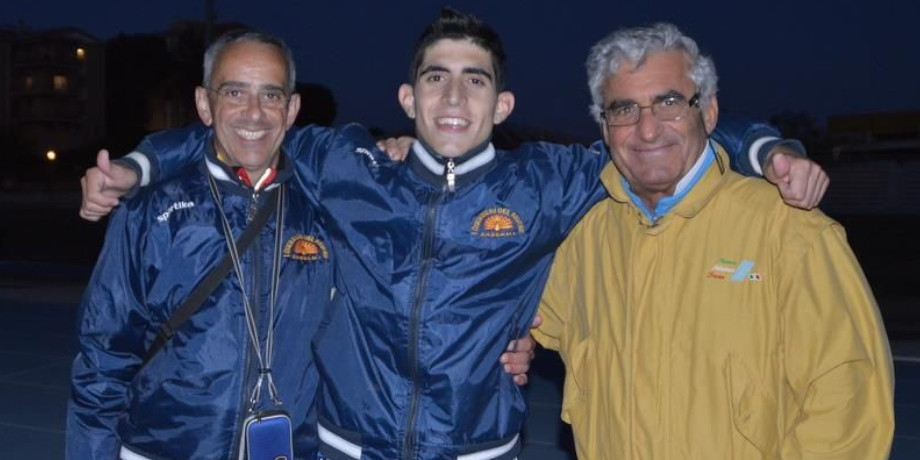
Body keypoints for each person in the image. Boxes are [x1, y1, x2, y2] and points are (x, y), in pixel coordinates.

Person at [78, 9, 829, 459]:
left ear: (502, 105)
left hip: (477, 450)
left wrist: (768, 149)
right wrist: (139, 167)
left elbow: (661, 133)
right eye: (437, 76)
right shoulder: (348, 165)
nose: (454, 95)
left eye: (475, 79)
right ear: (409, 97)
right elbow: (243, 133)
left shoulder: (546, 182)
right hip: (347, 448)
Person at [66, 30, 533, 460]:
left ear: (291, 110)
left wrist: (507, 337)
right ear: (204, 105)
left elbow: (413, 293)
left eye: (271, 95)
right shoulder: (151, 210)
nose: (254, 113)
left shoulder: (330, 205)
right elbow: (101, 362)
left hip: (293, 449)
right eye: (234, 93)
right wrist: (140, 164)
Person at [532, 23, 894, 459]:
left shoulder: (790, 231)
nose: (647, 130)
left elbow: (849, 401)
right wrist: (516, 343)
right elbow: (526, 316)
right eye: (624, 109)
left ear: (708, 113)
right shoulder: (583, 237)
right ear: (605, 128)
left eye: (669, 103)